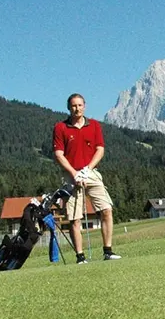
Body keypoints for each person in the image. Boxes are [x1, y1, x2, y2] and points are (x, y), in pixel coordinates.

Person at [52, 93, 122, 263]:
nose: (77, 109)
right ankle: (80, 256)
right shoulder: (61, 127)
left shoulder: (94, 125)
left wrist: (87, 170)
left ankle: (108, 251)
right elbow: (58, 154)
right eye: (74, 106)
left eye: (80, 105)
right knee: (75, 218)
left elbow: (100, 150)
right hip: (71, 176)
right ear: (69, 108)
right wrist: (74, 173)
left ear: (85, 106)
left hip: (91, 173)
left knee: (106, 210)